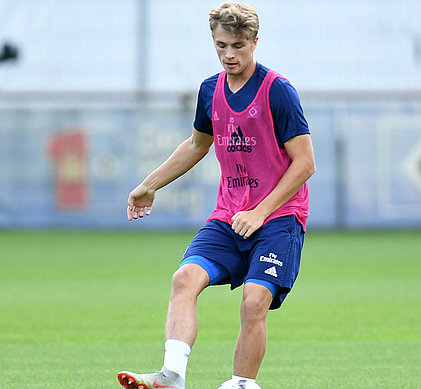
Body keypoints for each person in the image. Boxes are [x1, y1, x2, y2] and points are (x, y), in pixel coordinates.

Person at [117, 2, 315, 389]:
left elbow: (305, 163)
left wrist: (260, 212)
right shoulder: (210, 90)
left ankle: (242, 384)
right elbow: (196, 145)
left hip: (278, 218)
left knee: (255, 301)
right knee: (184, 279)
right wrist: (150, 183)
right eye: (221, 45)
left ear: (255, 42)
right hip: (229, 215)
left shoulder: (278, 91)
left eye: (238, 45)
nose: (229, 54)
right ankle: (172, 375)